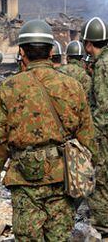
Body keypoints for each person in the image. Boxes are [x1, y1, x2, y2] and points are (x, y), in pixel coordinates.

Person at [0, 19, 96, 241]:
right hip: (62, 178)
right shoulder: (72, 86)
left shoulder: (9, 88)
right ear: (51, 50)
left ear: (22, 52)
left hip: (24, 180)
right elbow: (87, 137)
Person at [81, 16, 108, 233]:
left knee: (100, 179)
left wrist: (92, 137)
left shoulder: (102, 66)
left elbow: (103, 107)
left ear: (90, 43)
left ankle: (103, 226)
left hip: (104, 134)